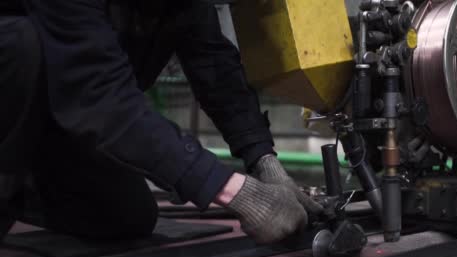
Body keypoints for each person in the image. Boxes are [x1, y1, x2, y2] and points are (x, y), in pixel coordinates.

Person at [0, 0, 323, 243]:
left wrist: (263, 161)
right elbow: (101, 97)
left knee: (126, 217)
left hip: (57, 118)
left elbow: (214, 66)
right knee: (19, 44)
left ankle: (24, 190)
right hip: (17, 93)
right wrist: (238, 193)